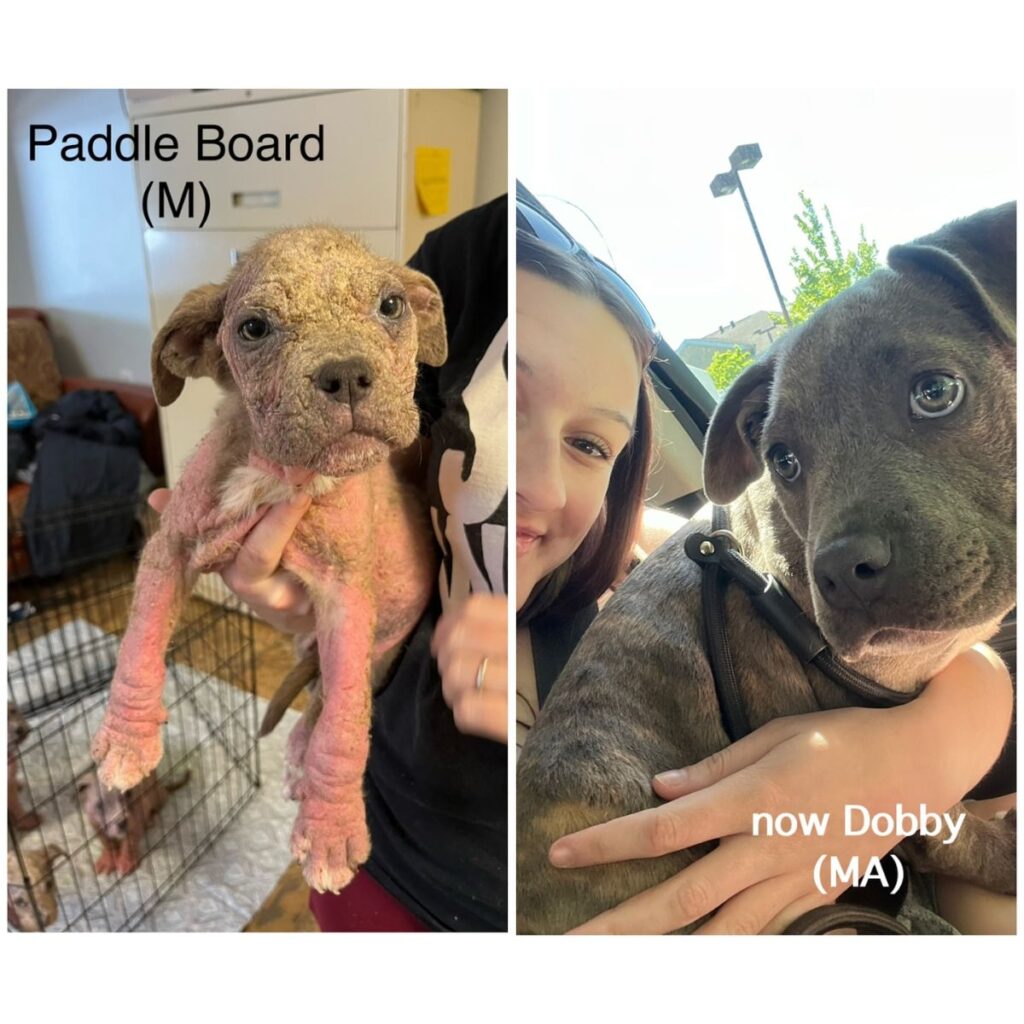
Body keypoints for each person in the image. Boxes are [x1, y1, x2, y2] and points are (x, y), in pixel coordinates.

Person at [514, 212, 1015, 934]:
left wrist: (943, 731)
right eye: (789, 460)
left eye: (934, 394)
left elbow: (874, 766)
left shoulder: (670, 563)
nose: (537, 485)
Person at [153, 196, 509, 932]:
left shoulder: (441, 289)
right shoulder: (469, 255)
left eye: (386, 311)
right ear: (199, 347)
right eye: (254, 328)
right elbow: (392, 485)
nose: (348, 368)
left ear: (416, 313)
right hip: (390, 812)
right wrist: (305, 602)